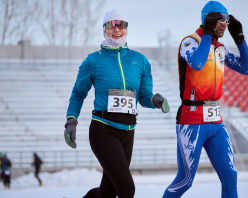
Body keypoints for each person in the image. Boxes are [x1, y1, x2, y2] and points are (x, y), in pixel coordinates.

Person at [64, 9, 170, 198]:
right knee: (127, 188)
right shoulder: (93, 60)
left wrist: (154, 100)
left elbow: (144, 96)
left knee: (108, 192)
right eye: (111, 25)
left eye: (121, 25)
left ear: (127, 28)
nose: (116, 29)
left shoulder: (140, 61)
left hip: (128, 131)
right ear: (104, 29)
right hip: (103, 129)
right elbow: (78, 93)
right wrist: (71, 120)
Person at [162, 1, 248, 198]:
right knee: (185, 181)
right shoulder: (190, 42)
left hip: (215, 120)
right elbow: (196, 63)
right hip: (192, 120)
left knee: (230, 176)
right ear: (208, 20)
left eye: (228, 20)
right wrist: (207, 33)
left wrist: (239, 39)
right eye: (221, 19)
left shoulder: (220, 48)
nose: (225, 24)